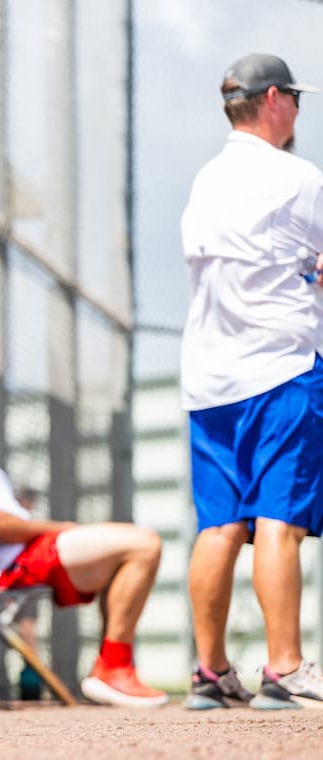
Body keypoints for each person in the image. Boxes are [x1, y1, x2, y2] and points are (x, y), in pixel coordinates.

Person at [179, 53, 323, 711]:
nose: (298, 110)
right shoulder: (299, 178)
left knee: (218, 524)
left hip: (209, 376)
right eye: (295, 98)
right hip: (281, 365)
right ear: (273, 99)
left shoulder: (206, 179)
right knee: (278, 522)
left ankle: (209, 672)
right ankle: (285, 667)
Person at [0, 363, 167, 708]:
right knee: (143, 544)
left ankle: (114, 669)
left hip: (7, 558)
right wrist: (61, 528)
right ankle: (112, 669)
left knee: (124, 551)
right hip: (7, 562)